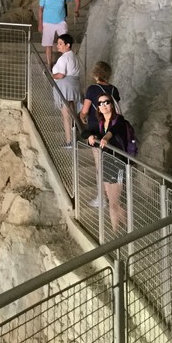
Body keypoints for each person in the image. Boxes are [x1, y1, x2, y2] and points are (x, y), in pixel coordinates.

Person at [79, 61, 121, 208]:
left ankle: (102, 198)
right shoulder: (114, 90)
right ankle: (112, 196)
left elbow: (85, 110)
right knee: (109, 162)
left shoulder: (92, 89)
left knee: (100, 165)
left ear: (95, 73)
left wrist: (82, 117)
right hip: (111, 131)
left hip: (96, 132)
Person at [86, 97, 130, 234]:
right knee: (113, 202)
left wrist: (105, 138)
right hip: (106, 162)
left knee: (114, 203)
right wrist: (91, 136)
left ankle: (120, 232)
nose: (103, 105)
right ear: (98, 108)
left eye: (107, 102)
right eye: (100, 103)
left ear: (111, 105)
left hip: (118, 163)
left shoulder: (119, 120)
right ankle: (122, 230)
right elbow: (86, 132)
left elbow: (115, 130)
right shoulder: (100, 123)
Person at [38, 0, 80, 68]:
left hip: (60, 22)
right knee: (48, 44)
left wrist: (76, 10)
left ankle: (63, 64)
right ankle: (49, 65)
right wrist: (40, 23)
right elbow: (40, 8)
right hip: (47, 22)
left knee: (65, 42)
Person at [51, 34, 81, 148]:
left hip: (65, 87)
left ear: (68, 45)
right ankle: (73, 139)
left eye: (60, 43)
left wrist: (51, 76)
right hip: (73, 86)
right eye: (57, 43)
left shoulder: (64, 58)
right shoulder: (74, 56)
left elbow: (61, 75)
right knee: (71, 113)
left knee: (66, 115)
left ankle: (69, 141)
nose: (57, 46)